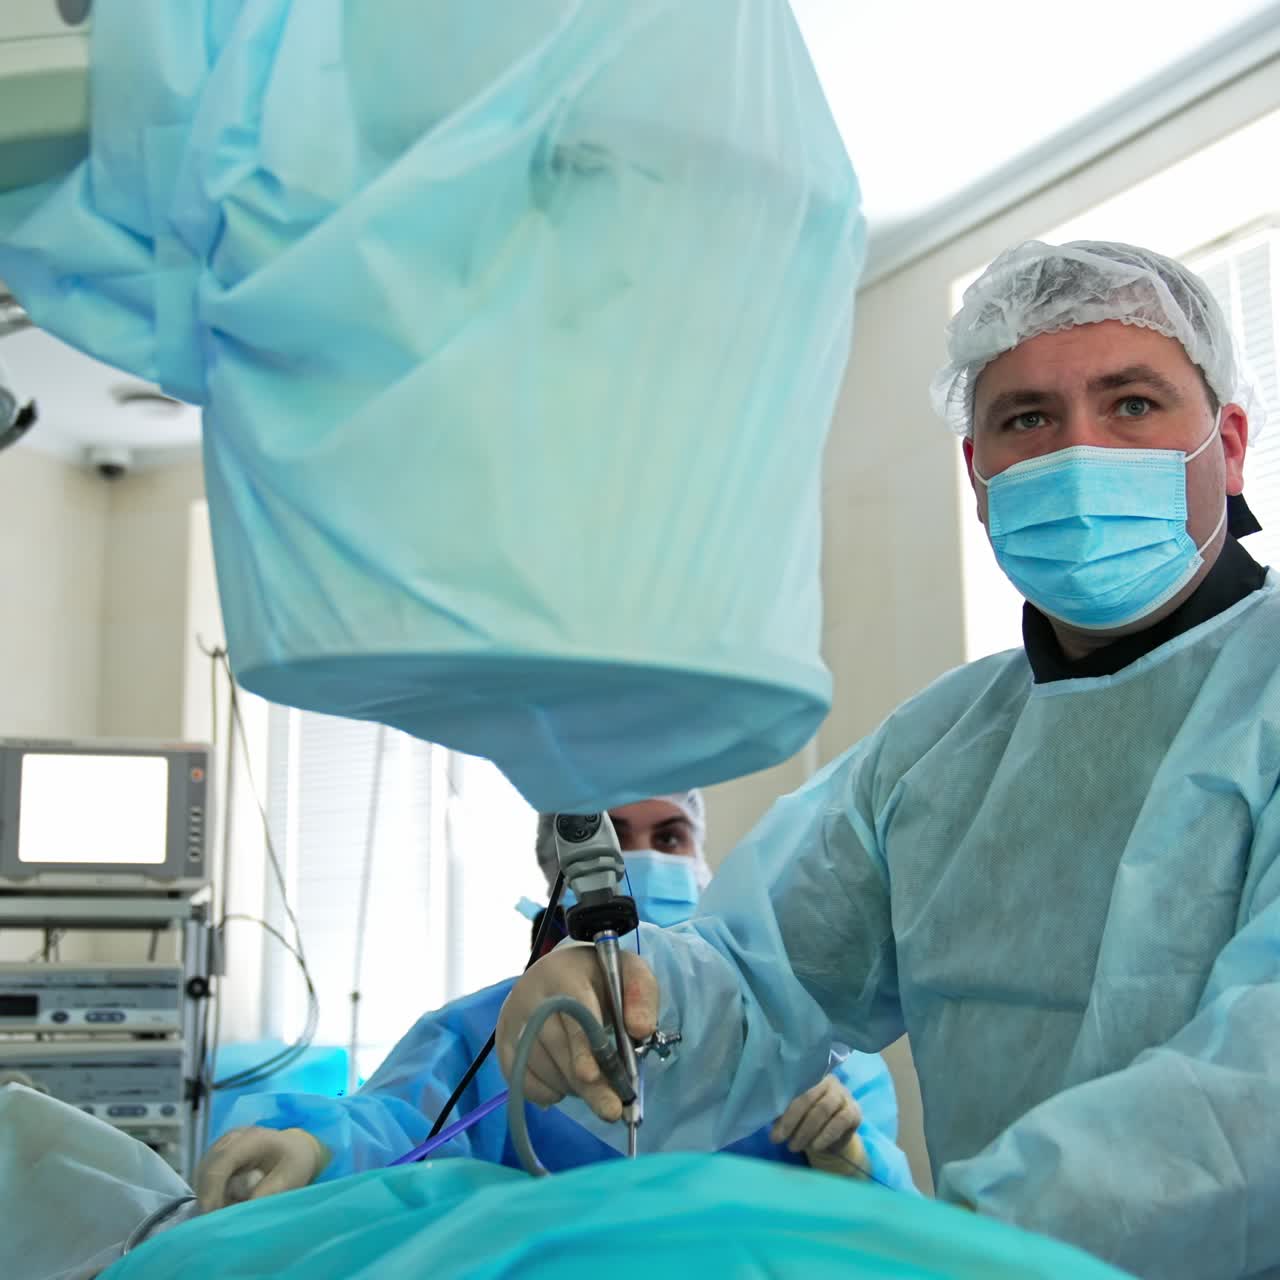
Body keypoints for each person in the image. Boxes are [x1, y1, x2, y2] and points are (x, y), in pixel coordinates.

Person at [496, 241, 1280, 1280]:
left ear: (1224, 445)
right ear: (977, 473)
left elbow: (1252, 1091)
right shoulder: (938, 750)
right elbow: (765, 978)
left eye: (1130, 403)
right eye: (1025, 418)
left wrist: (957, 1239)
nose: (1074, 452)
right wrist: (622, 1002)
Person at [196, 791, 916, 1211]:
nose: (639, 861)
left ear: (704, 861)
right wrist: (314, 1147)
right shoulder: (495, 1030)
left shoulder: (804, 1033)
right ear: (559, 869)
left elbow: (889, 1228)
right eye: (610, 835)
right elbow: (402, 1129)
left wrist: (844, 1150)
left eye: (670, 836)